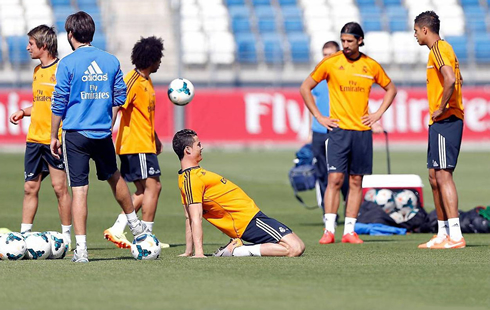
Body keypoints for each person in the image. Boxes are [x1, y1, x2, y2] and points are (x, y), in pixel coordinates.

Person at [50, 11, 147, 263]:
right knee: (114, 177)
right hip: (102, 132)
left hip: (75, 134)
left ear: (70, 34)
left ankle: (81, 250)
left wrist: (53, 135)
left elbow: (59, 102)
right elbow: (119, 96)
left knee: (80, 190)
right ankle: (135, 225)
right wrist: (110, 121)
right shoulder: (111, 61)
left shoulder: (68, 63)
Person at [300, 22, 397, 244]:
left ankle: (349, 231)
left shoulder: (371, 66)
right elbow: (305, 87)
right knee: (334, 179)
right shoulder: (331, 63)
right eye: (342, 41)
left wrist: (378, 114)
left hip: (362, 132)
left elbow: (391, 89)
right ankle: (329, 229)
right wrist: (319, 117)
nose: (345, 45)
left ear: (360, 41)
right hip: (338, 131)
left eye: (349, 41)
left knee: (356, 181)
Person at [172, 129, 305, 258]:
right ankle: (237, 250)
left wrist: (189, 251)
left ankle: (237, 248)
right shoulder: (191, 179)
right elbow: (194, 218)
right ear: (187, 150)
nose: (202, 147)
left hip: (252, 218)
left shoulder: (189, 177)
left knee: (297, 245)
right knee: (295, 248)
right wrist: (198, 253)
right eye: (198, 144)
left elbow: (189, 218)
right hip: (247, 222)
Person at [104, 36, 169, 249]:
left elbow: (143, 115)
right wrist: (107, 132)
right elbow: (116, 106)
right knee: (153, 187)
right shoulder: (131, 81)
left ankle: (118, 228)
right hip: (135, 145)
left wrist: (156, 137)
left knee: (144, 190)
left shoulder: (146, 80)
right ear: (152, 59)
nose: (160, 62)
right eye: (158, 58)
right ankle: (146, 236)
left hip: (145, 143)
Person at [9, 25, 72, 246]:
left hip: (54, 139)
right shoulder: (37, 71)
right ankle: (24, 237)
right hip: (34, 139)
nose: (27, 48)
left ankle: (66, 237)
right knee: (29, 187)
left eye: (31, 44)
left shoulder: (63, 70)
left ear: (43, 46)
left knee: (59, 188)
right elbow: (40, 104)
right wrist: (23, 112)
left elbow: (67, 104)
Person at [414, 11, 465, 249]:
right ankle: (442, 233)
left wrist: (442, 106)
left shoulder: (438, 49)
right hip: (440, 122)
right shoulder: (443, 50)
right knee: (434, 177)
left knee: (443, 174)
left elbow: (451, 80)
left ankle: (455, 235)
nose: (414, 35)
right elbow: (458, 76)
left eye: (416, 31)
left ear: (425, 30)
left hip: (446, 120)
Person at [310, 41, 349, 214]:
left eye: (330, 54)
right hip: (319, 130)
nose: (326, 58)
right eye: (324, 54)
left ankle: (351, 211)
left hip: (340, 129)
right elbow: (310, 101)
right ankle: (328, 212)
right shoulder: (317, 77)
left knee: (345, 172)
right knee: (322, 172)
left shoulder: (346, 75)